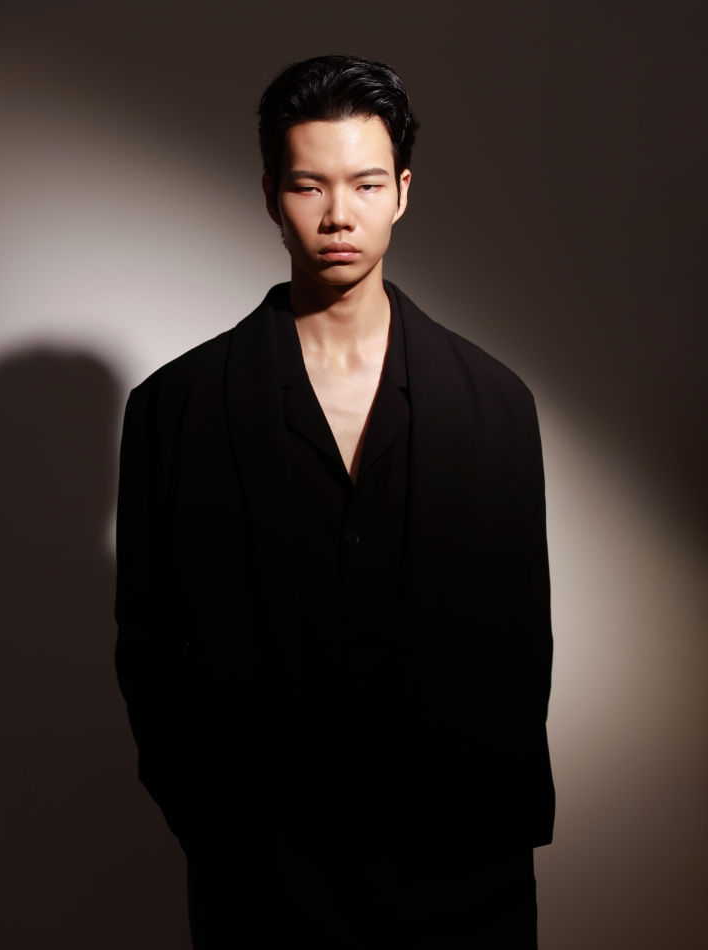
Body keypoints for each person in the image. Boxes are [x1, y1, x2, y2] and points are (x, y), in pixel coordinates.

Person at [115, 54, 554, 949]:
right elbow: (148, 643)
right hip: (262, 879)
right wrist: (211, 821)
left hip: (462, 875)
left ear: (402, 192)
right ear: (269, 195)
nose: (338, 215)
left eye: (364, 183)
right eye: (309, 185)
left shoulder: (496, 404)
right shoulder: (174, 409)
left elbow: (522, 643)